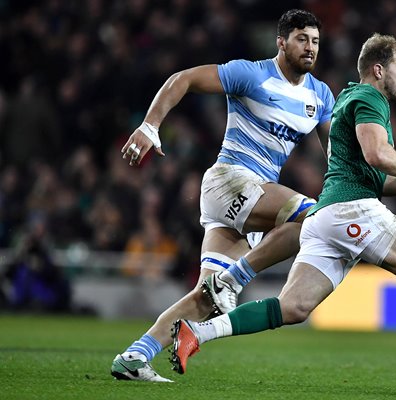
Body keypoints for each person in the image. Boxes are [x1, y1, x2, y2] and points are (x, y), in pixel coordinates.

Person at [171, 33, 396, 388]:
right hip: (352, 212)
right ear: (378, 70)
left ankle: (197, 332)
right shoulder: (370, 97)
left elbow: (374, 175)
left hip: (325, 217)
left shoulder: (347, 98)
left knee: (292, 308)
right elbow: (378, 155)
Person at [110, 9, 334, 382]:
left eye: (315, 41)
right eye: (301, 39)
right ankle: (234, 279)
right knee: (312, 218)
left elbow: (336, 158)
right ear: (281, 42)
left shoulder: (320, 95)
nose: (310, 48)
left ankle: (134, 356)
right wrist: (150, 126)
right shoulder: (251, 74)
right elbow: (183, 79)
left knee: (205, 299)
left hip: (249, 200)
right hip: (231, 180)